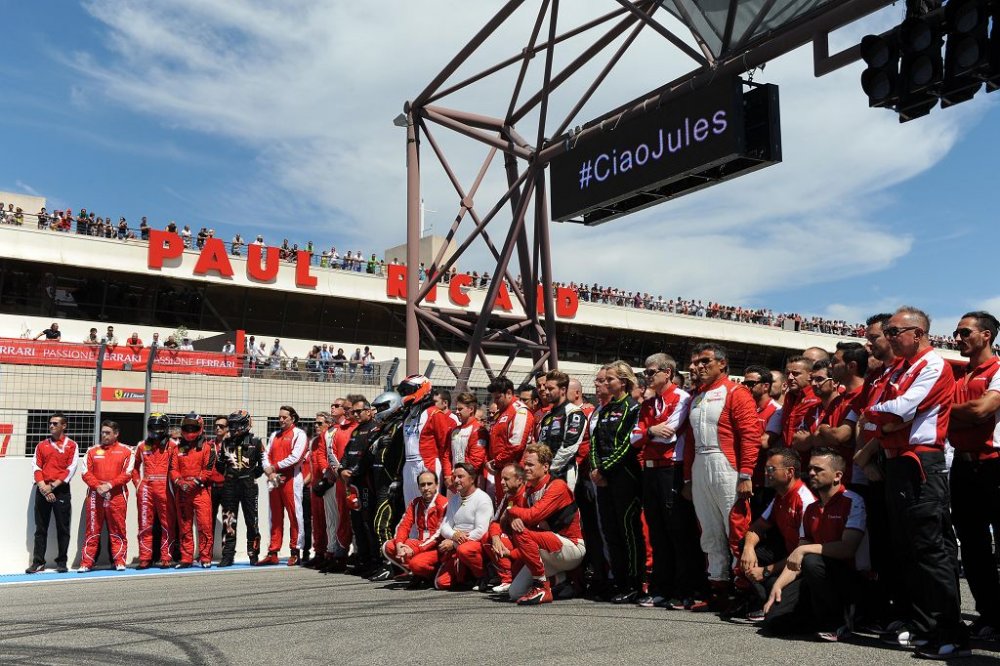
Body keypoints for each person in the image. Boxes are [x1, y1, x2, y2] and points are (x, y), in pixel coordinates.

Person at [860, 306, 968, 658]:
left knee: (931, 549)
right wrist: (883, 420)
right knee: (907, 549)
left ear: (917, 333)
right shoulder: (899, 368)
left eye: (894, 332)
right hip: (897, 463)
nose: (888, 338)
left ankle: (952, 633)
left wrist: (880, 419)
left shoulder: (933, 364)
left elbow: (899, 409)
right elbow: (882, 413)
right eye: (887, 332)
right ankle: (926, 627)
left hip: (921, 463)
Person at [683, 343, 761, 609]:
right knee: (708, 530)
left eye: (704, 361)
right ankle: (719, 589)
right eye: (695, 362)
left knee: (735, 527)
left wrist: (746, 474)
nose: (698, 367)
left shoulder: (737, 392)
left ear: (722, 364)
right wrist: (687, 479)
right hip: (700, 466)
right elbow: (690, 442)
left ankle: (746, 591)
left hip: (727, 466)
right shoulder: (696, 397)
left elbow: (750, 435)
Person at [762, 449, 867, 642]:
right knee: (773, 623)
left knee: (811, 560)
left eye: (818, 469)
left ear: (837, 476)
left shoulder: (853, 501)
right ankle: (816, 618)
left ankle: (838, 623)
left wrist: (804, 549)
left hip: (851, 577)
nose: (811, 473)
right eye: (810, 468)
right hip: (817, 575)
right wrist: (778, 585)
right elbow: (796, 560)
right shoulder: (811, 509)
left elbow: (847, 548)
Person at [948, 311, 1000, 640]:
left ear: (986, 335)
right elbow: (971, 413)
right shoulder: (960, 375)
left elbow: (982, 410)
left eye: (965, 332)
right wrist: (962, 415)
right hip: (963, 466)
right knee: (972, 545)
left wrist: (942, 411)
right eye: (957, 332)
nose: (958, 338)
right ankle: (990, 615)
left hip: (994, 463)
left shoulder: (998, 369)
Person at [629, 353, 694, 608]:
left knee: (676, 530)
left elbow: (669, 433)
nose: (646, 376)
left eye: (651, 372)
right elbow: (634, 439)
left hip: (671, 468)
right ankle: (660, 588)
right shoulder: (648, 403)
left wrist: (648, 432)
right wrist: (650, 431)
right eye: (644, 372)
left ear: (667, 372)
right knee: (656, 532)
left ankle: (683, 590)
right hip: (651, 470)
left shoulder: (682, 397)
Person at [734, 448, 815, 621]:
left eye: (771, 469)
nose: (766, 473)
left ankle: (774, 603)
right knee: (745, 545)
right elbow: (757, 527)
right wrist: (748, 548)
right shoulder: (780, 496)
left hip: (801, 566)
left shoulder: (804, 501)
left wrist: (765, 571)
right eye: (765, 469)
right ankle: (764, 601)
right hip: (786, 557)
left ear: (789, 472)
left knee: (778, 621)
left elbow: (801, 555)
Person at [503, 444, 586, 605]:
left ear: (546, 467)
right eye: (525, 464)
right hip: (547, 548)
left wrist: (512, 512)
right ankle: (563, 579)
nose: (526, 468)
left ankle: (542, 587)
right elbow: (512, 515)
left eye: (531, 465)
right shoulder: (528, 490)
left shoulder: (557, 486)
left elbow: (532, 516)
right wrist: (514, 518)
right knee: (515, 592)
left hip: (571, 547)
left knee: (521, 532)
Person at [590, 360, 643, 604]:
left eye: (610, 379)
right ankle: (618, 581)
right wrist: (595, 469)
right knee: (610, 530)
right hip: (603, 479)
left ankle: (634, 583)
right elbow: (595, 442)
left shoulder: (633, 408)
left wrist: (604, 469)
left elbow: (628, 445)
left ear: (623, 381)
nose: (606, 382)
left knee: (628, 531)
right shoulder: (605, 408)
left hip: (625, 477)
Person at [27, 412, 79, 574]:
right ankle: (38, 562)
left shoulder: (72, 445)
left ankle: (61, 562)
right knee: (40, 528)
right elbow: (36, 467)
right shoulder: (41, 445)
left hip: (61, 490)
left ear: (64, 426)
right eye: (50, 423)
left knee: (63, 528)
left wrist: (53, 486)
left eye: (55, 423)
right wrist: (44, 487)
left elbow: (71, 469)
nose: (51, 426)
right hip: (43, 489)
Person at [79, 421, 133, 572]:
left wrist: (109, 485)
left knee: (118, 529)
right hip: (95, 495)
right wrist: (98, 487)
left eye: (107, 433)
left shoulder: (127, 451)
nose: (104, 435)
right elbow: (85, 473)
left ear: (116, 434)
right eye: (102, 432)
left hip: (117, 495)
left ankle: (119, 561)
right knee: (92, 529)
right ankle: (86, 563)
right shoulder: (92, 451)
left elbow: (127, 474)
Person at [366, 391, 408, 582]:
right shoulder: (384, 427)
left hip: (391, 482)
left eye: (382, 407)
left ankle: (389, 564)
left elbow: (400, 456)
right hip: (379, 482)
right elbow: (370, 453)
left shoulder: (400, 425)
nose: (378, 412)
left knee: (381, 523)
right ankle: (387, 563)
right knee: (379, 523)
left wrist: (397, 479)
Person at [259, 406, 308, 566]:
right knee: (274, 517)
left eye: (284, 417)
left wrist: (274, 467)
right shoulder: (275, 435)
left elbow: (296, 457)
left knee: (295, 515)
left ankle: (295, 551)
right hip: (274, 480)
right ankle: (273, 552)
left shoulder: (299, 434)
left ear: (292, 418)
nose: (281, 420)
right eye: (279, 417)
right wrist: (269, 472)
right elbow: (265, 455)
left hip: (291, 480)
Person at [399, 375, 459, 504]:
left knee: (430, 505)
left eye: (408, 390)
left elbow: (445, 447)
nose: (405, 394)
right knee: (410, 505)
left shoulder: (434, 413)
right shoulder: (407, 414)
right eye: (403, 391)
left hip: (427, 463)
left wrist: (447, 473)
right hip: (409, 465)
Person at [383, 470, 449, 585]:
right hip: (420, 543)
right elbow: (403, 526)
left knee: (417, 564)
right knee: (388, 546)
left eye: (429, 484)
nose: (426, 488)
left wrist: (414, 550)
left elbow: (438, 535)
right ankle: (414, 573)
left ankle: (429, 574)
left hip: (436, 548)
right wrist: (399, 545)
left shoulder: (444, 503)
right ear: (418, 487)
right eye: (422, 485)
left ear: (437, 485)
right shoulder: (415, 503)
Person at [338, 398, 380, 577]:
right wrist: (341, 470)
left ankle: (375, 561)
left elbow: (369, 457)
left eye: (358, 411)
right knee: (356, 522)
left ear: (369, 411)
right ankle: (363, 560)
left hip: (367, 483)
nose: (355, 414)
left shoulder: (375, 429)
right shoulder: (355, 431)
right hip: (353, 483)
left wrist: (354, 473)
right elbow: (346, 455)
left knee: (368, 522)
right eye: (353, 412)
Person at [216, 409, 264, 567]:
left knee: (252, 522)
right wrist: (229, 473)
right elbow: (219, 465)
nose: (233, 428)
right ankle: (227, 556)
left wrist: (250, 476)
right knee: (229, 521)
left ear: (245, 424)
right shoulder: (226, 443)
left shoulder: (256, 442)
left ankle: (253, 555)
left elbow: (262, 465)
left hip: (249, 486)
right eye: (232, 424)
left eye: (236, 424)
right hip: (230, 486)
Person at [435, 463, 492, 590]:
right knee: (442, 583)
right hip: (458, 544)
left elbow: (481, 531)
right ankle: (466, 575)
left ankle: (483, 575)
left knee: (464, 550)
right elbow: (445, 526)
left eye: (460, 477)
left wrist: (454, 543)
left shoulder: (482, 499)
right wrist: (454, 535)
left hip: (475, 545)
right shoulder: (454, 499)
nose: (456, 480)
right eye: (454, 477)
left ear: (472, 479)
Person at [132, 413, 177, 569]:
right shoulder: (142, 446)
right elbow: (134, 468)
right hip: (146, 489)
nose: (156, 430)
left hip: (166, 489)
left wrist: (174, 485)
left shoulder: (173, 445)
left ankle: (166, 557)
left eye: (159, 427)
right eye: (153, 427)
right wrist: (138, 485)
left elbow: (177, 468)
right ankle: (145, 558)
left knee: (167, 525)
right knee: (144, 524)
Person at [171, 413, 216, 568]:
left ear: (200, 428)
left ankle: (205, 558)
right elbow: (173, 470)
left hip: (201, 492)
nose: (190, 430)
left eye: (193, 427)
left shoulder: (208, 447)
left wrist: (195, 482)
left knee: (205, 526)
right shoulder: (176, 448)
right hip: (183, 492)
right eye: (187, 427)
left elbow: (208, 470)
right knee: (184, 526)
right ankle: (186, 559)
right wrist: (180, 482)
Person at [320, 398, 357, 573]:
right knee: (339, 516)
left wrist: (353, 472)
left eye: (337, 406)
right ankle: (338, 552)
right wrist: (336, 471)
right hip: (338, 478)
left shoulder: (358, 428)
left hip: (356, 478)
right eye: (332, 405)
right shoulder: (333, 431)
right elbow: (328, 453)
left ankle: (358, 553)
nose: (333, 408)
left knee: (357, 516)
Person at [484, 376, 534, 501]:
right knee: (503, 504)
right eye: (494, 398)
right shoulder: (501, 412)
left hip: (515, 471)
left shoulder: (520, 411)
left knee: (514, 505)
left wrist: (496, 462)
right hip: (501, 470)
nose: (495, 402)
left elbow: (516, 446)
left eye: (498, 398)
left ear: (509, 393)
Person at [536, 370, 587, 489]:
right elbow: (540, 445)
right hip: (545, 474)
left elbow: (570, 447)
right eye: (546, 388)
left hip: (564, 474)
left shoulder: (574, 412)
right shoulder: (547, 416)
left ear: (563, 390)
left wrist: (550, 468)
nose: (546, 392)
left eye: (550, 388)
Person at [484, 463, 528, 594]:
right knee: (488, 537)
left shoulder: (528, 496)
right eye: (501, 478)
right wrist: (495, 537)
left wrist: (512, 553)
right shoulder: (508, 496)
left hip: (527, 548)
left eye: (506, 479)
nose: (502, 482)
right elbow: (495, 522)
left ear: (519, 480)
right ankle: (506, 579)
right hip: (515, 543)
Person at [306, 412, 332, 570]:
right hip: (315, 488)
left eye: (320, 423)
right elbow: (311, 467)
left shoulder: (330, 438)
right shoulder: (313, 442)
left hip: (328, 486)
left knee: (330, 522)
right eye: (315, 423)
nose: (316, 425)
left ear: (328, 424)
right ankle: (319, 553)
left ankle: (330, 553)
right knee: (317, 522)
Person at [448, 392, 488, 482]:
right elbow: (447, 455)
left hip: (471, 480)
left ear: (471, 409)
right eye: (456, 409)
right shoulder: (454, 430)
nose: (457, 412)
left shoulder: (479, 430)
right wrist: (447, 475)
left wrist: (461, 477)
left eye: (460, 409)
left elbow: (476, 461)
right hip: (454, 478)